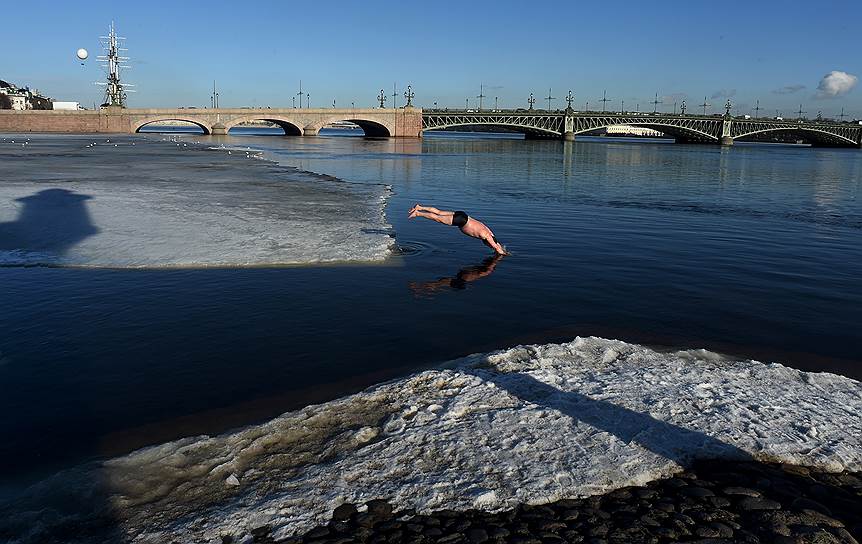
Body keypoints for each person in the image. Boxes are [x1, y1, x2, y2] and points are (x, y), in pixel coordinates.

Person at [408, 204, 508, 255]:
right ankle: (418, 213)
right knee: (437, 218)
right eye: (488, 245)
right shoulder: (486, 236)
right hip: (461, 221)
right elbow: (496, 246)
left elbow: (495, 242)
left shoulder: (488, 232)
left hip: (463, 215)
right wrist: (503, 254)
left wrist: (498, 246)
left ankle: (419, 207)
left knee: (439, 212)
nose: (488, 246)